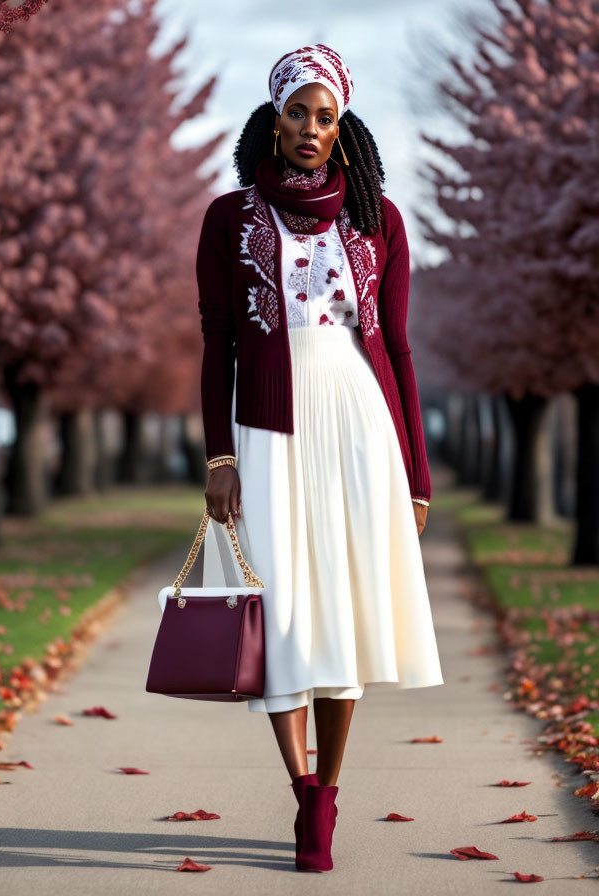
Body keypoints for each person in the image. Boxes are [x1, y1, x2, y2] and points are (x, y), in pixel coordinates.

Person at [196, 44, 444, 872]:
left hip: (359, 425)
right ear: (273, 119)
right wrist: (218, 456)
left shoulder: (379, 219)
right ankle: (300, 782)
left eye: (325, 116)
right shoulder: (229, 220)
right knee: (287, 611)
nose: (310, 128)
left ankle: (324, 800)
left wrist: (416, 471)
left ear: (343, 130)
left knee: (343, 610)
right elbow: (216, 345)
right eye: (297, 113)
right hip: (268, 429)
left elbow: (400, 351)